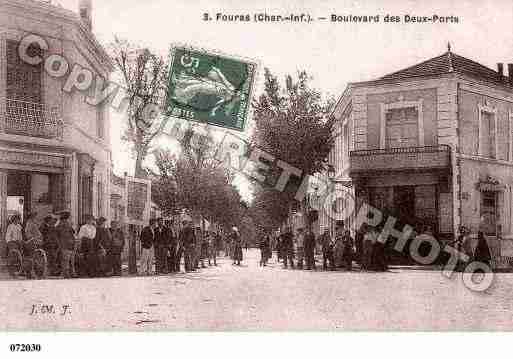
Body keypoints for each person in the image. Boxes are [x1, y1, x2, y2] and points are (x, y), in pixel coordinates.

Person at [56, 212, 76, 279]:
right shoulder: (66, 223)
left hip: (65, 243)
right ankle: (68, 273)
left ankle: (67, 273)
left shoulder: (61, 224)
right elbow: (72, 232)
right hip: (67, 243)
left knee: (66, 259)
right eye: (70, 216)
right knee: (68, 258)